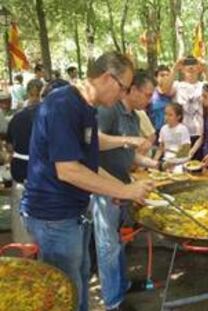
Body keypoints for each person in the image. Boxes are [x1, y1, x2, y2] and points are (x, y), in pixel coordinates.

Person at [20, 51, 155, 311]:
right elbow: (69, 170)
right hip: (53, 218)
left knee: (79, 283)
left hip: (73, 214)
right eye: (123, 88)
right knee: (64, 293)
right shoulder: (62, 105)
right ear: (107, 78)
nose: (123, 95)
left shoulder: (87, 109)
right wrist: (124, 190)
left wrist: (121, 190)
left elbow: (89, 164)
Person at [91, 70, 159, 311]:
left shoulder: (134, 116)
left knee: (118, 242)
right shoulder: (110, 109)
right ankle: (113, 302)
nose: (149, 100)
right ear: (133, 90)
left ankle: (122, 284)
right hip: (104, 187)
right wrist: (128, 140)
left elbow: (129, 155)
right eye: (147, 95)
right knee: (107, 246)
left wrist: (156, 164)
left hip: (123, 186)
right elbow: (93, 139)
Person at [6, 78, 51, 243]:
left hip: (20, 171)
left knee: (21, 217)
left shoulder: (17, 117)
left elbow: (10, 146)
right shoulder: (50, 116)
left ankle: (24, 246)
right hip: (43, 173)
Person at [161, 55, 208, 160]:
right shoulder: (177, 85)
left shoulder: (203, 85)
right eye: (187, 64)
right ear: (182, 68)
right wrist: (174, 68)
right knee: (180, 165)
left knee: (197, 167)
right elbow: (165, 89)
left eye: (194, 64)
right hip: (180, 134)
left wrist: (206, 70)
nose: (191, 67)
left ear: (199, 68)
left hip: (200, 135)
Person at [154, 103, 191, 170]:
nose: (166, 117)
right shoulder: (163, 129)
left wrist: (174, 161)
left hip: (180, 164)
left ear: (178, 117)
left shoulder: (183, 129)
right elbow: (161, 148)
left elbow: (185, 150)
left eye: (170, 115)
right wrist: (154, 162)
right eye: (165, 114)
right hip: (166, 163)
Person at [148, 65, 172, 140]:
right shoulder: (150, 93)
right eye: (162, 75)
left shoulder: (173, 93)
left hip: (171, 132)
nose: (165, 77)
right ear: (156, 77)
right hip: (155, 133)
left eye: (167, 75)